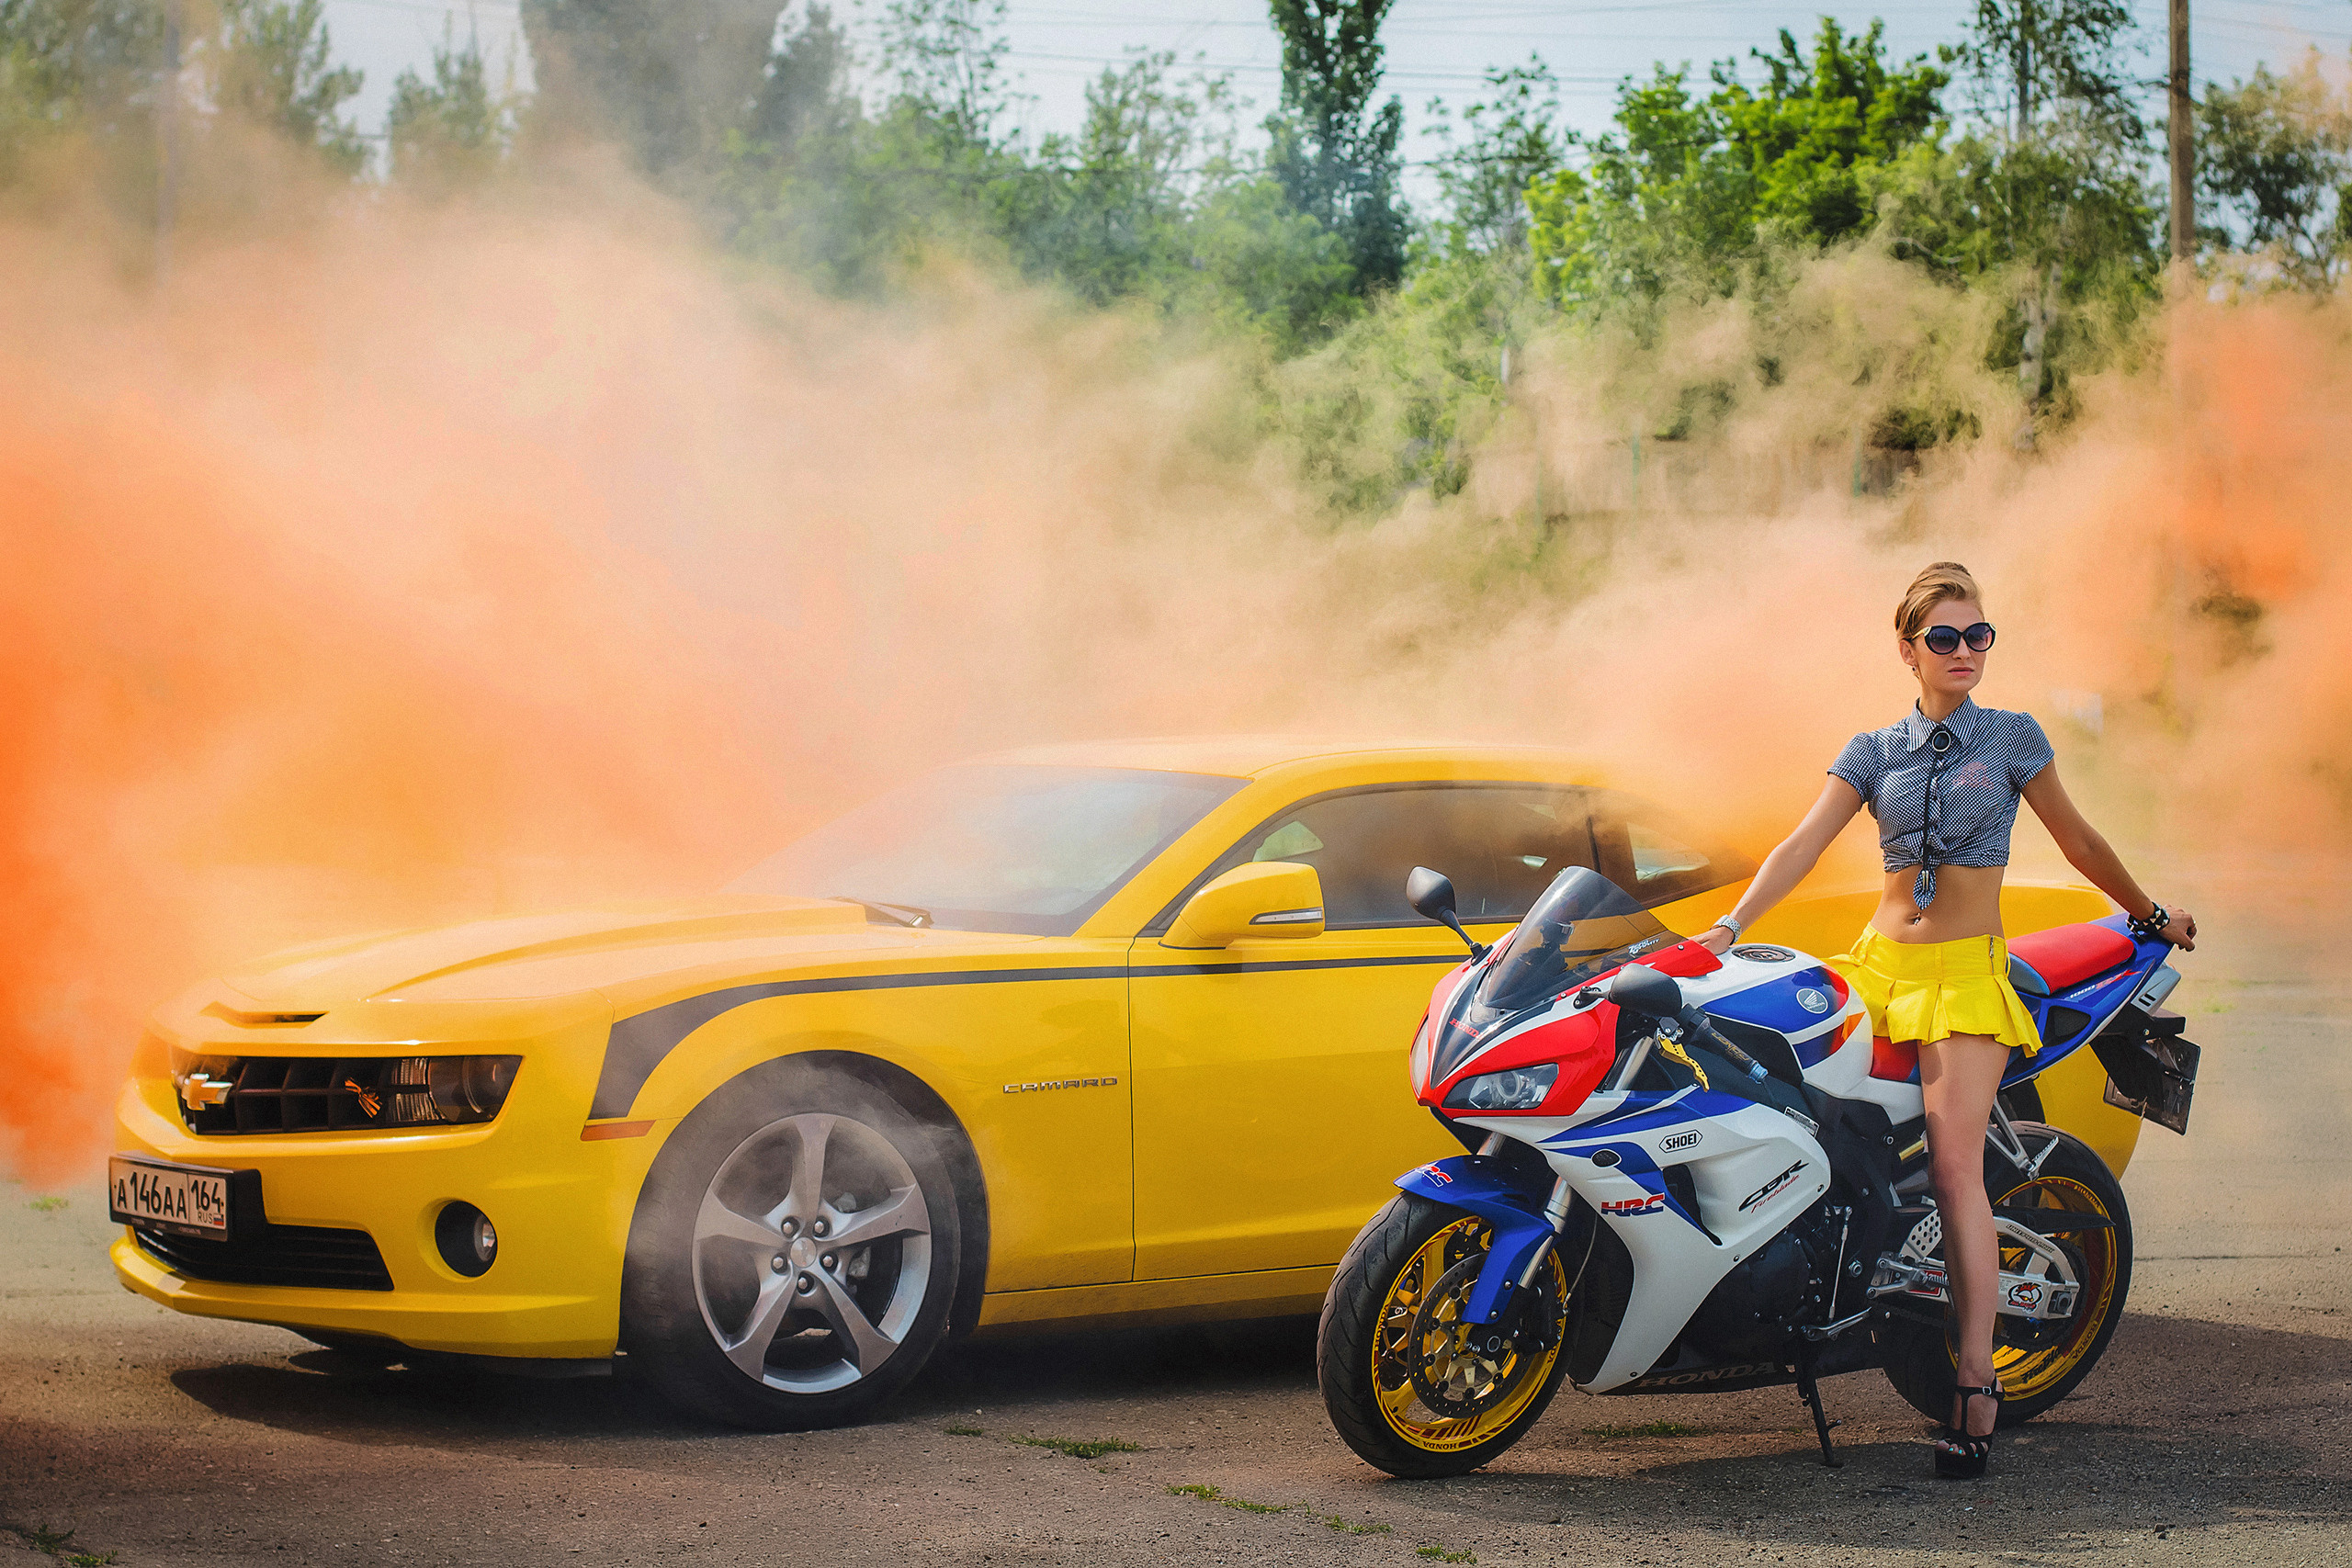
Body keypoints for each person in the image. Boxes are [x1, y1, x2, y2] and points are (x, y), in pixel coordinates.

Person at [1692, 561, 2196, 1479]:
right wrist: (1728, 926)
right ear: (1907, 649)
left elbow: (2076, 840)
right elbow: (1801, 844)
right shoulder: (1872, 748)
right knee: (1799, 1111)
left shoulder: (2011, 738)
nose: (1965, 652)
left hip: (1966, 976)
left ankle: (1973, 1378)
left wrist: (2151, 913)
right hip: (1876, 968)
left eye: (1978, 636)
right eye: (1945, 638)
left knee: (1954, 1161)